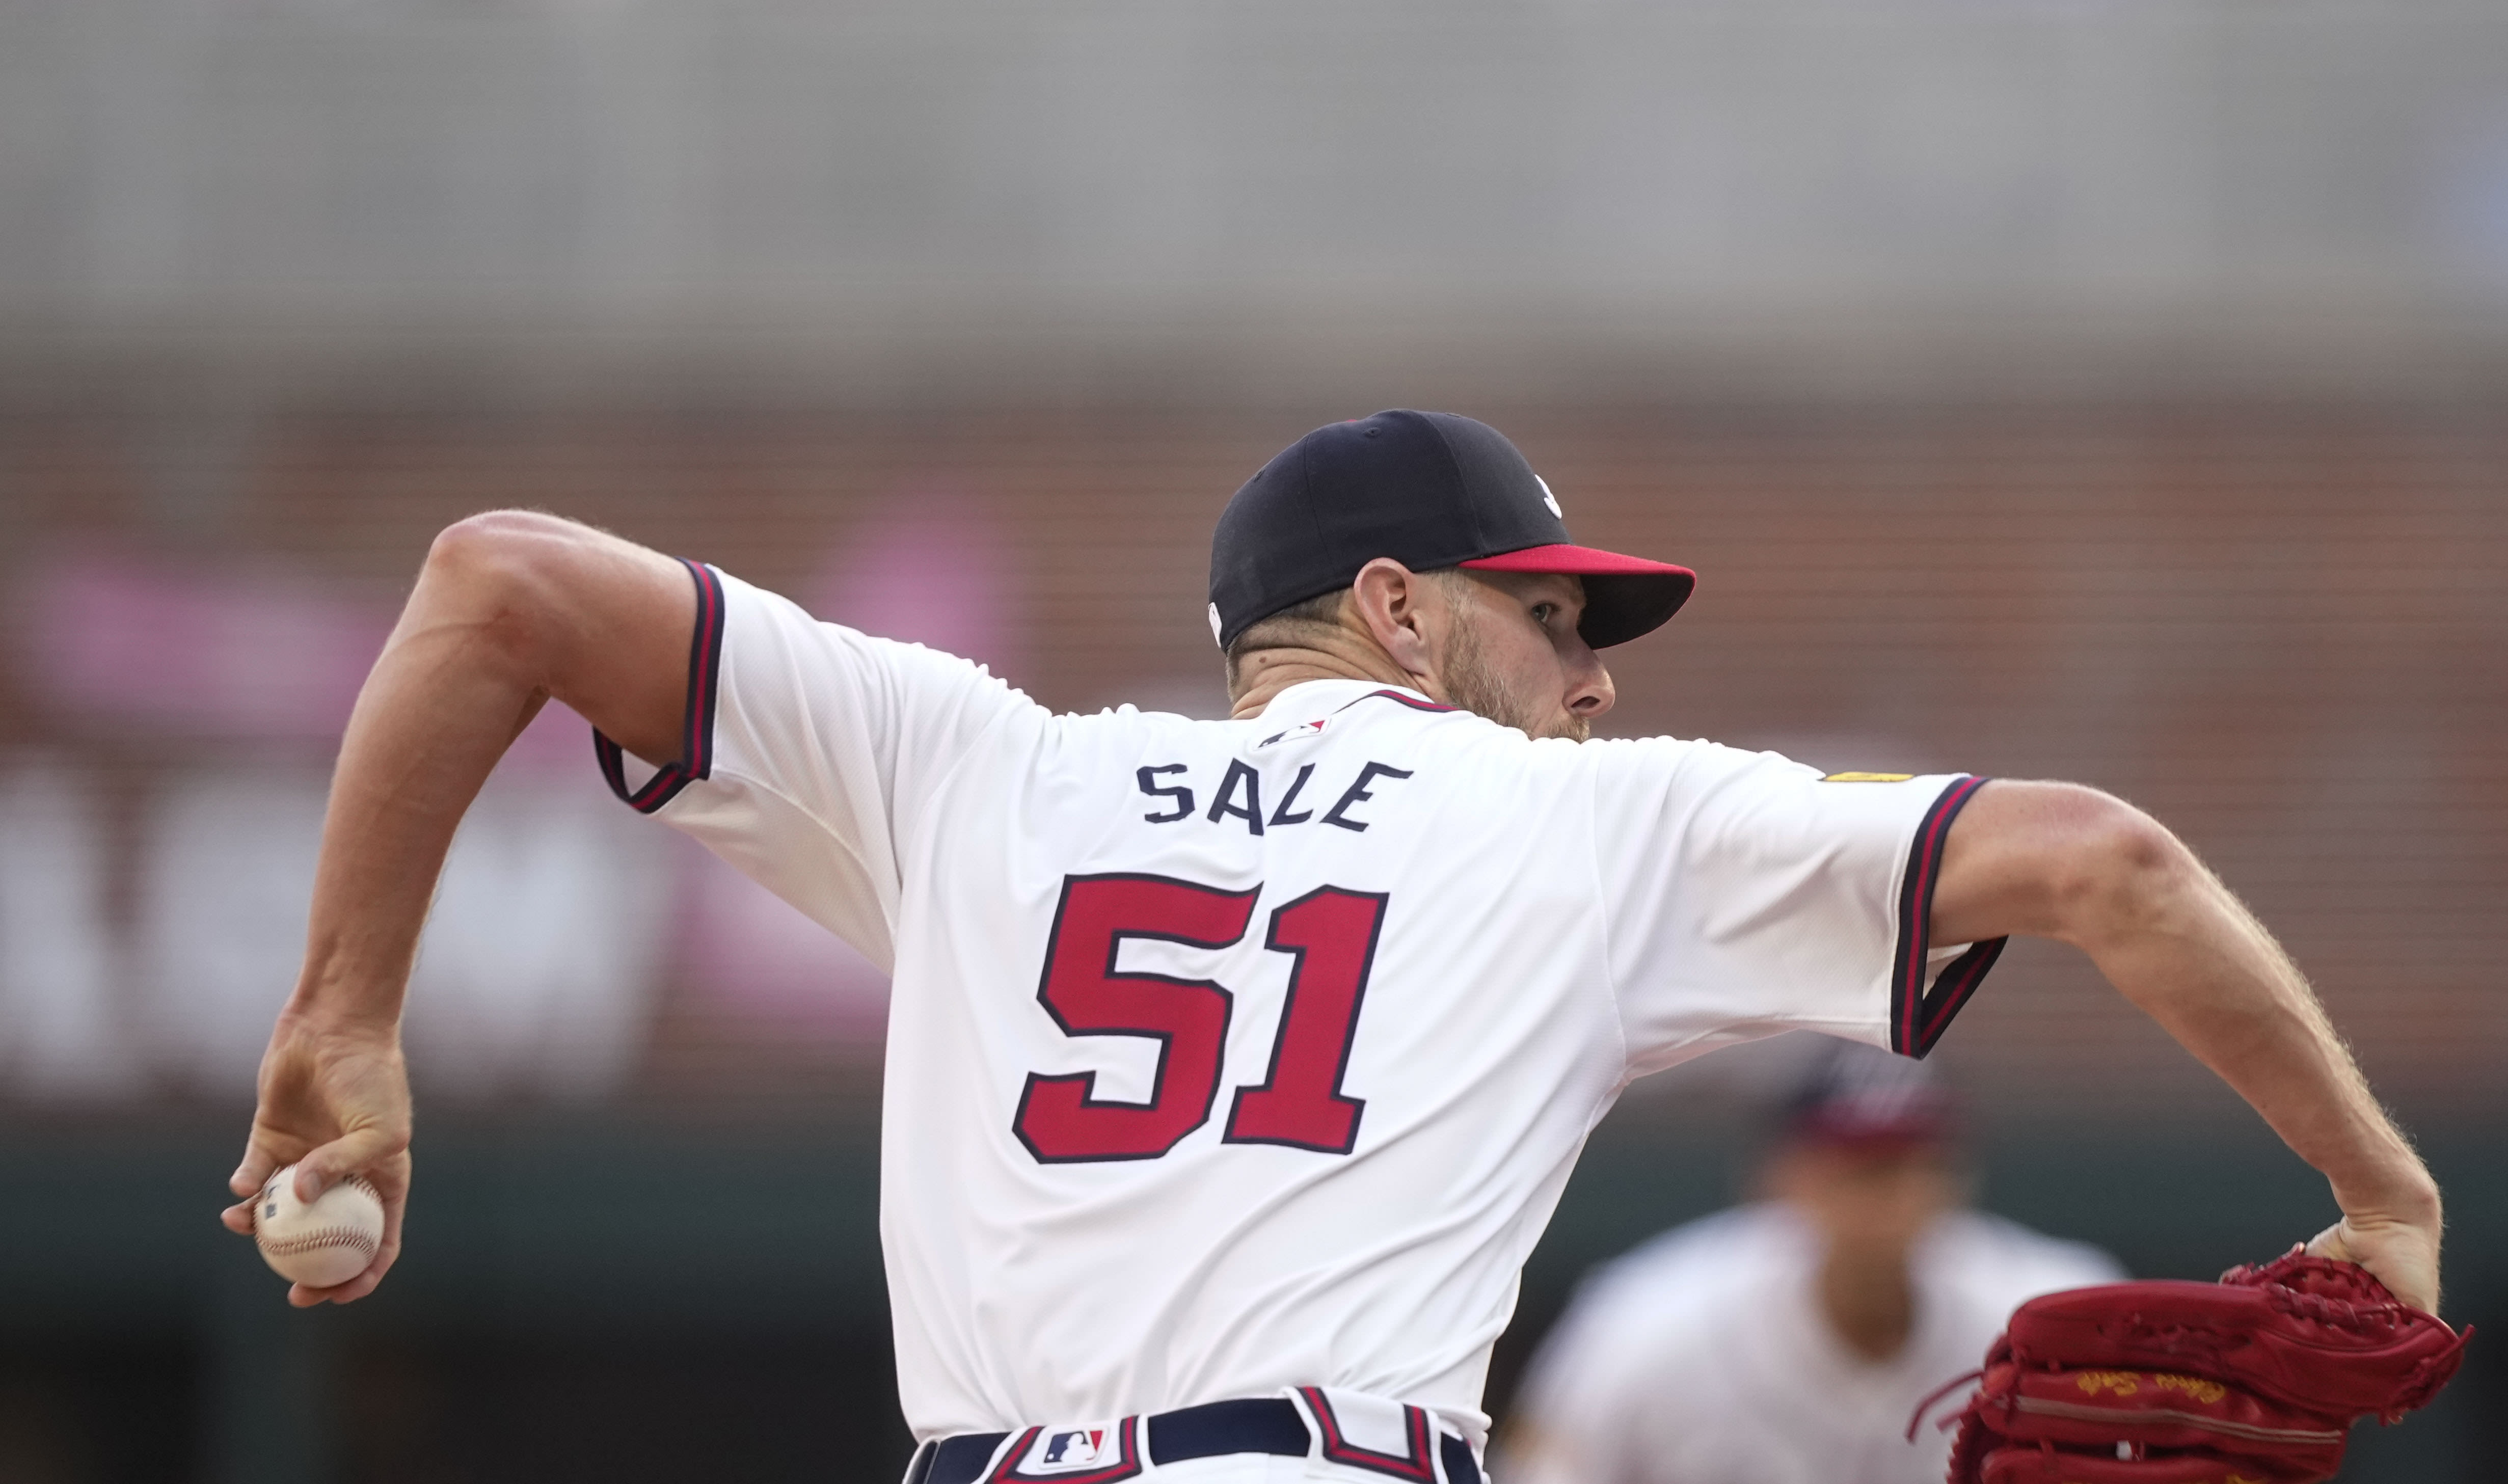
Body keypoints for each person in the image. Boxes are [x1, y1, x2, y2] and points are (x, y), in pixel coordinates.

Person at [221, 410, 2442, 1484]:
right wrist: (2377, 1189)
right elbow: (2109, 862)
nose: (1588, 675)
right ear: (1397, 606)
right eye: (1550, 616)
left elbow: (493, 579)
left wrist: (343, 1018)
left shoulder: (975, 769)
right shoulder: (1594, 813)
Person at [1497, 1044, 2122, 1484]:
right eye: (1855, 1167)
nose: (1885, 1197)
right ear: (1781, 1178)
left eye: (1909, 1163)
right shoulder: (1645, 1322)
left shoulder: (2058, 1322)